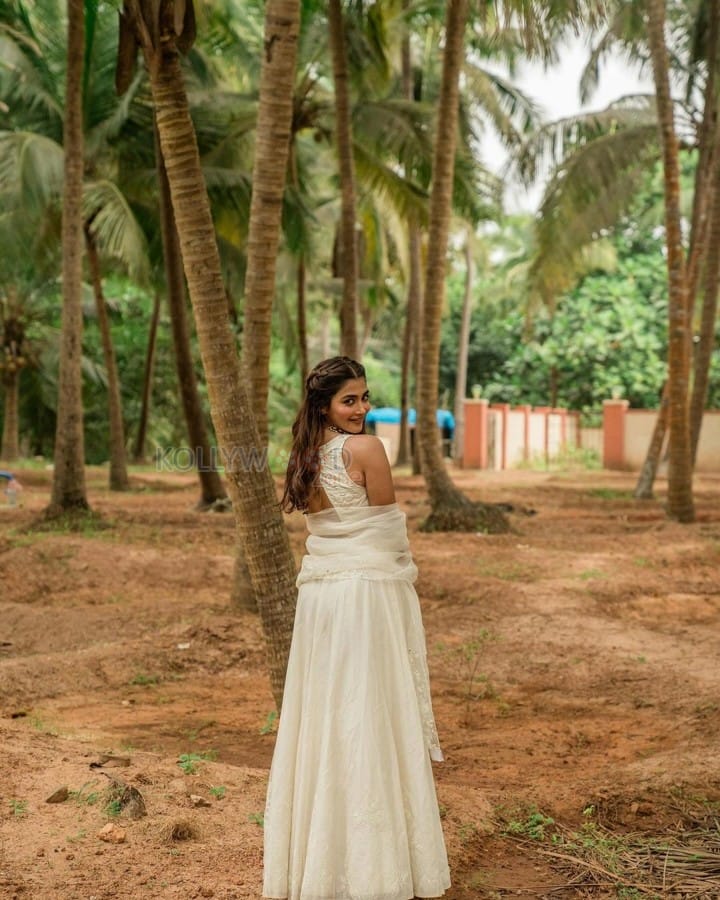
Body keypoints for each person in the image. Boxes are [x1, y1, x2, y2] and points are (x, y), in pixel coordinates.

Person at [262, 356, 451, 900]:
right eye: (351, 400)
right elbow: (388, 536)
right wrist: (399, 576)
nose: (362, 409)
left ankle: (320, 868)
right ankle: (373, 874)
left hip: (320, 598)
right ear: (325, 405)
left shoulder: (302, 456)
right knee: (367, 712)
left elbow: (327, 528)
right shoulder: (366, 449)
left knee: (326, 715)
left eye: (365, 398)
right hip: (365, 597)